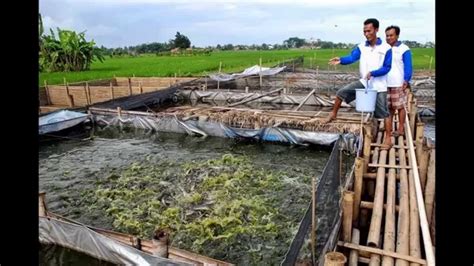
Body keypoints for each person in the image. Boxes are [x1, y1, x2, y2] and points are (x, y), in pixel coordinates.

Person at [323, 18, 393, 149]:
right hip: (364, 82)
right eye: (364, 31)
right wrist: (341, 60)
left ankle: (388, 139)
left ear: (376, 30)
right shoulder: (361, 47)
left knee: (384, 113)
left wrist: (373, 73)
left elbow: (387, 67)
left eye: (369, 31)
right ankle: (333, 114)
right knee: (341, 92)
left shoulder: (386, 48)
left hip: (379, 85)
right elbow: (352, 57)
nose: (366, 34)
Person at [385, 25, 412, 137]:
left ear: (397, 35)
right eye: (387, 35)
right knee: (389, 107)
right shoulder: (384, 48)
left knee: (400, 107)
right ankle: (389, 128)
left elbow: (408, 66)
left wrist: (406, 79)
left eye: (391, 35)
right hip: (386, 82)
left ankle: (400, 129)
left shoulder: (404, 49)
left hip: (398, 82)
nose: (389, 38)